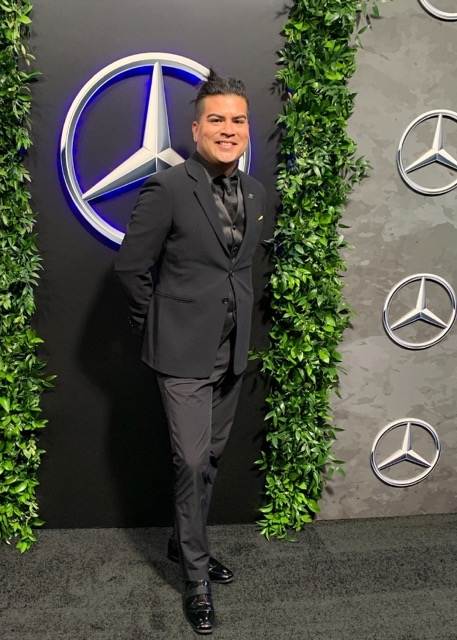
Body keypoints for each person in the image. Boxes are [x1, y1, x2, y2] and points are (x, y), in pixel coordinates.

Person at [115, 70, 270, 635]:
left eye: (238, 120)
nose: (228, 129)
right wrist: (157, 328)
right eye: (217, 120)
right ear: (196, 129)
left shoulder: (256, 193)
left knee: (211, 461)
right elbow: (131, 269)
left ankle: (185, 543)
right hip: (181, 353)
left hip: (231, 352)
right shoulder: (167, 188)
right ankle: (196, 578)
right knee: (192, 461)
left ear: (246, 129)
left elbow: (238, 271)